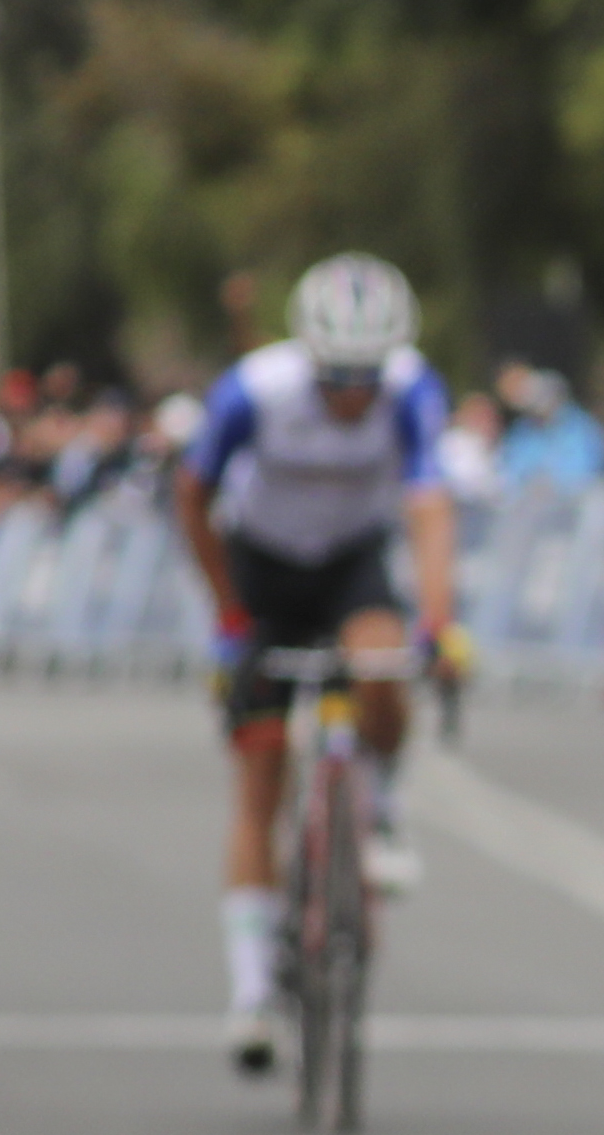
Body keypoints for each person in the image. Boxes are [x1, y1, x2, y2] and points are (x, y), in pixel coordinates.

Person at [173, 257, 464, 1070]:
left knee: (382, 662)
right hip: (262, 567)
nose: (351, 394)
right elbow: (191, 498)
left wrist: (438, 622)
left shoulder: (411, 391)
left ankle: (384, 803)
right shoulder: (252, 392)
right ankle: (251, 991)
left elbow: (430, 506)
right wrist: (228, 614)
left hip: (349, 564)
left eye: (366, 377)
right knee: (260, 781)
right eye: (336, 375)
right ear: (308, 356)